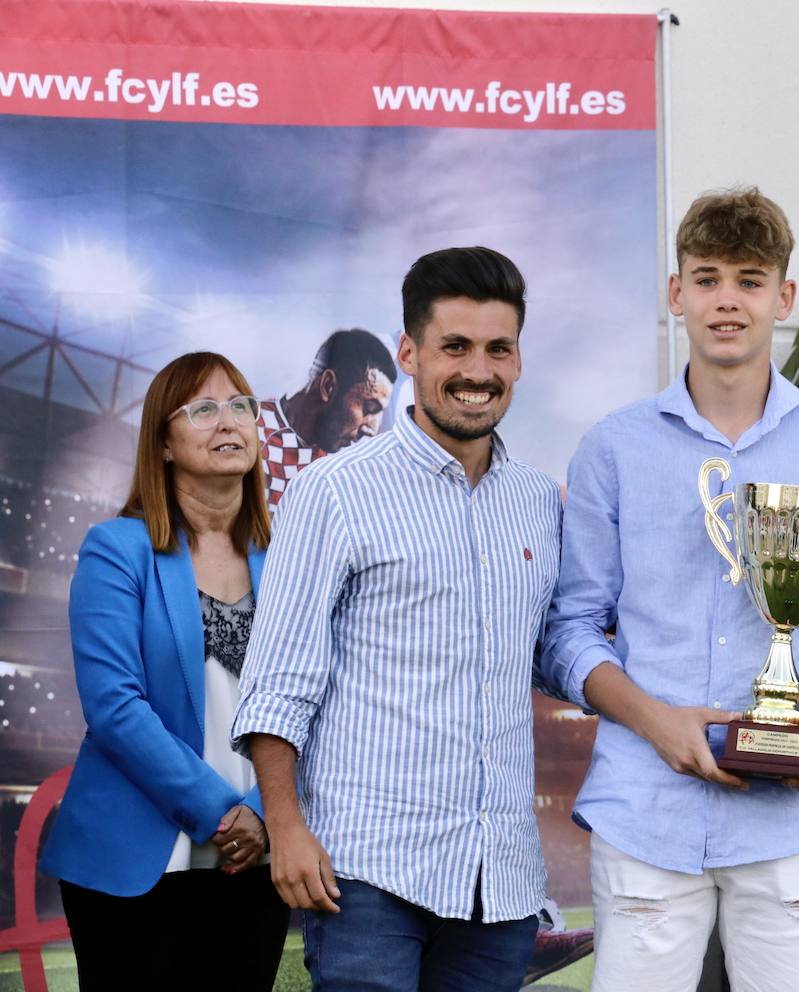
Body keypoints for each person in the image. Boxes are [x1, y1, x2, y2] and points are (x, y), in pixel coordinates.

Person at [542, 187, 799, 992]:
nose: (727, 301)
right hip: (645, 814)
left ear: (784, 296)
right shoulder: (613, 448)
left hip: (793, 821)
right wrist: (658, 723)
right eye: (706, 278)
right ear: (676, 294)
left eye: (749, 278)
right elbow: (570, 632)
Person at [232, 247, 560, 992]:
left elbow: (547, 653)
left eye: (497, 349)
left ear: (517, 359)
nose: (477, 371)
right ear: (410, 353)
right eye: (455, 347)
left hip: (497, 883)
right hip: (369, 879)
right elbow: (279, 679)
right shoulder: (333, 490)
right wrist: (285, 827)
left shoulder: (538, 501)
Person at [40, 352, 289, 990]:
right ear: (165, 442)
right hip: (131, 860)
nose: (228, 421)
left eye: (241, 406)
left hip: (258, 857)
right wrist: (221, 814)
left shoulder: (290, 553)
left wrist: (264, 813)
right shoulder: (116, 548)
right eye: (203, 409)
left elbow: (316, 699)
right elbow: (115, 706)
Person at [257, 327, 397, 510]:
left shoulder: (346, 464)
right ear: (329, 386)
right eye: (368, 408)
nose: (371, 428)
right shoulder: (250, 429)